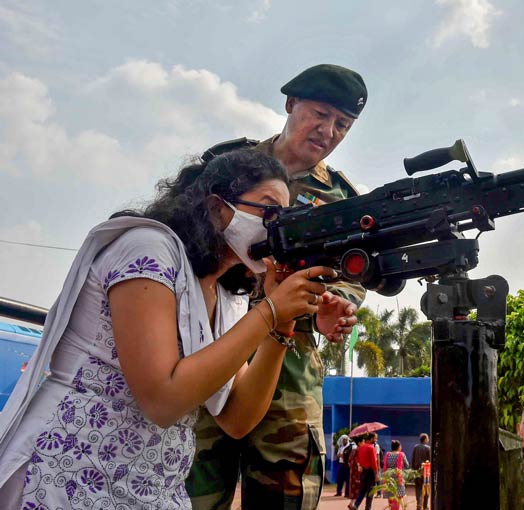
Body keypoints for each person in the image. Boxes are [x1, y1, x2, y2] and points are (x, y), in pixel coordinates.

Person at [0, 150, 355, 509]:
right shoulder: (148, 249)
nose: (276, 225)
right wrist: (269, 311)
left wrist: (281, 325)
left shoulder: (224, 294)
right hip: (68, 470)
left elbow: (237, 417)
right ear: (217, 208)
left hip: (145, 483)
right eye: (268, 210)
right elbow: (162, 400)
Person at [187, 63, 368, 510]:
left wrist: (331, 304)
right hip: (209, 351)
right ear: (290, 104)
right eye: (320, 114)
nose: (328, 131)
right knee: (187, 493)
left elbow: (352, 277)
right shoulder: (226, 168)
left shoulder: (342, 200)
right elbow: (185, 243)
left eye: (342, 124)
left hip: (288, 370)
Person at [349, 433, 379, 510]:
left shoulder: (361, 448)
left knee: (362, 490)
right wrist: (376, 474)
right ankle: (368, 508)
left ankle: (356, 505)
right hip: (370, 471)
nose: (376, 440)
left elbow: (358, 459)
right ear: (371, 438)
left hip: (363, 471)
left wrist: (360, 466)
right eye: (375, 438)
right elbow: (373, 462)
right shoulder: (371, 448)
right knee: (371, 491)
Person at [382, 440, 410, 510]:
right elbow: (407, 465)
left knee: (391, 499)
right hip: (398, 479)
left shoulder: (387, 454)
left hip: (389, 479)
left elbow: (385, 466)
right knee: (397, 499)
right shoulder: (401, 454)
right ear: (398, 447)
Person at [411, 433, 431, 510]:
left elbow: (413, 460)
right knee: (426, 488)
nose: (428, 440)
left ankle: (419, 504)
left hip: (417, 471)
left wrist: (413, 470)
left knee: (418, 488)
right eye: (428, 439)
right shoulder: (428, 448)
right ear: (425, 439)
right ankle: (425, 505)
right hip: (426, 472)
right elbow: (429, 460)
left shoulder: (415, 447)